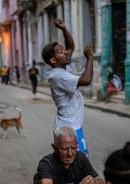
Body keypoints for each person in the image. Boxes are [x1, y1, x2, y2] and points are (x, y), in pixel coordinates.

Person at [42, 19, 93, 157]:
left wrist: (64, 28)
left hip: (70, 127)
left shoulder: (62, 68)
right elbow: (86, 80)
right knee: (79, 164)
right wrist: (89, 59)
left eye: (64, 50)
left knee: (77, 164)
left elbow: (70, 46)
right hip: (70, 129)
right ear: (53, 60)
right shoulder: (59, 75)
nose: (65, 52)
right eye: (60, 52)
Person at [34, 126, 104, 184]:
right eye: (65, 149)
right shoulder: (46, 163)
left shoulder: (81, 157)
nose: (70, 153)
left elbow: (102, 182)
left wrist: (95, 182)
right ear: (54, 147)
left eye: (73, 148)